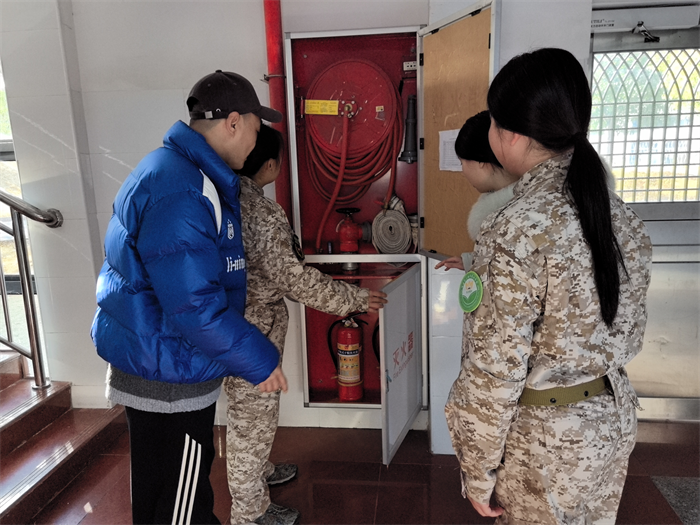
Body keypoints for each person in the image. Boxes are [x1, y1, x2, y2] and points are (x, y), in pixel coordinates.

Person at [444, 48, 652, 524]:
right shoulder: (621, 217)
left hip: (544, 443)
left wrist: (476, 472)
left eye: (493, 121)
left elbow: (494, 369)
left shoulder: (514, 227)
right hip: (611, 421)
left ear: (513, 135)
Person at [91, 70, 288, 525]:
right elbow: (194, 306)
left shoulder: (170, 169)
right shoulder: (185, 188)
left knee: (162, 491)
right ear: (234, 122)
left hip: (158, 359)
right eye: (255, 127)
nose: (255, 142)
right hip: (170, 373)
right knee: (183, 502)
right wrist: (259, 359)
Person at [224, 124, 388, 525]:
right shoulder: (262, 213)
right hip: (252, 333)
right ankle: (250, 513)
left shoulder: (229, 200)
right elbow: (294, 280)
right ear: (269, 165)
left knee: (253, 415)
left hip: (238, 325)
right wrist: (355, 299)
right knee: (250, 421)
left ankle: (258, 473)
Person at [435, 110, 520, 273]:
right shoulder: (518, 202)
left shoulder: (508, 219)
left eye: (462, 163)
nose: (463, 172)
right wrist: (473, 261)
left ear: (480, 161)